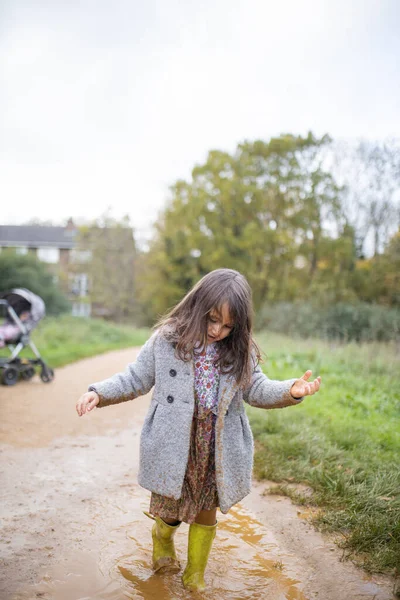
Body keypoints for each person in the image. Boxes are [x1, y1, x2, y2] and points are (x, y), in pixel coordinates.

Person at [76, 268, 321, 592]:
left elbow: (257, 389)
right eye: (212, 320)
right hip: (173, 441)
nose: (218, 330)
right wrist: (100, 392)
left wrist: (291, 390)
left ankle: (195, 574)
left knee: (207, 510)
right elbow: (135, 377)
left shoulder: (240, 350)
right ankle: (162, 539)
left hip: (216, 445)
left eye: (228, 325)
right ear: (197, 307)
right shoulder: (166, 340)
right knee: (171, 510)